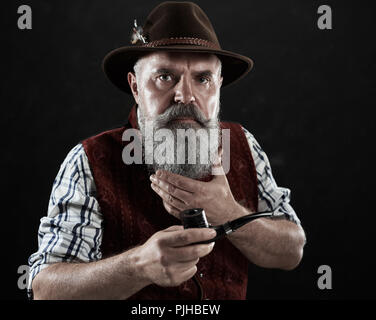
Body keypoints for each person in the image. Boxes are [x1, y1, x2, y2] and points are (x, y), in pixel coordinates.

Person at [28, 1, 306, 300]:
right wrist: (137, 267)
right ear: (135, 87)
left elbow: (292, 250)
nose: (185, 95)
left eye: (202, 79)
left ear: (219, 85)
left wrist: (230, 214)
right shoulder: (90, 161)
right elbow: (46, 290)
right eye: (165, 76)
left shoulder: (242, 144)